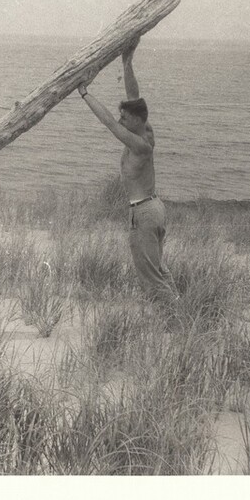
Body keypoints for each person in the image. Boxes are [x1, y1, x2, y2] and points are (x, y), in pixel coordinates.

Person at [78, 37, 178, 305]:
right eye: (123, 116)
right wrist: (127, 61)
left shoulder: (140, 144)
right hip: (152, 208)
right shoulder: (144, 127)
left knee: (150, 276)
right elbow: (134, 96)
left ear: (135, 120)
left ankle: (172, 320)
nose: (122, 119)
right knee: (158, 270)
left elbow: (110, 124)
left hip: (144, 212)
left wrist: (84, 92)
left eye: (126, 117)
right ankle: (180, 310)